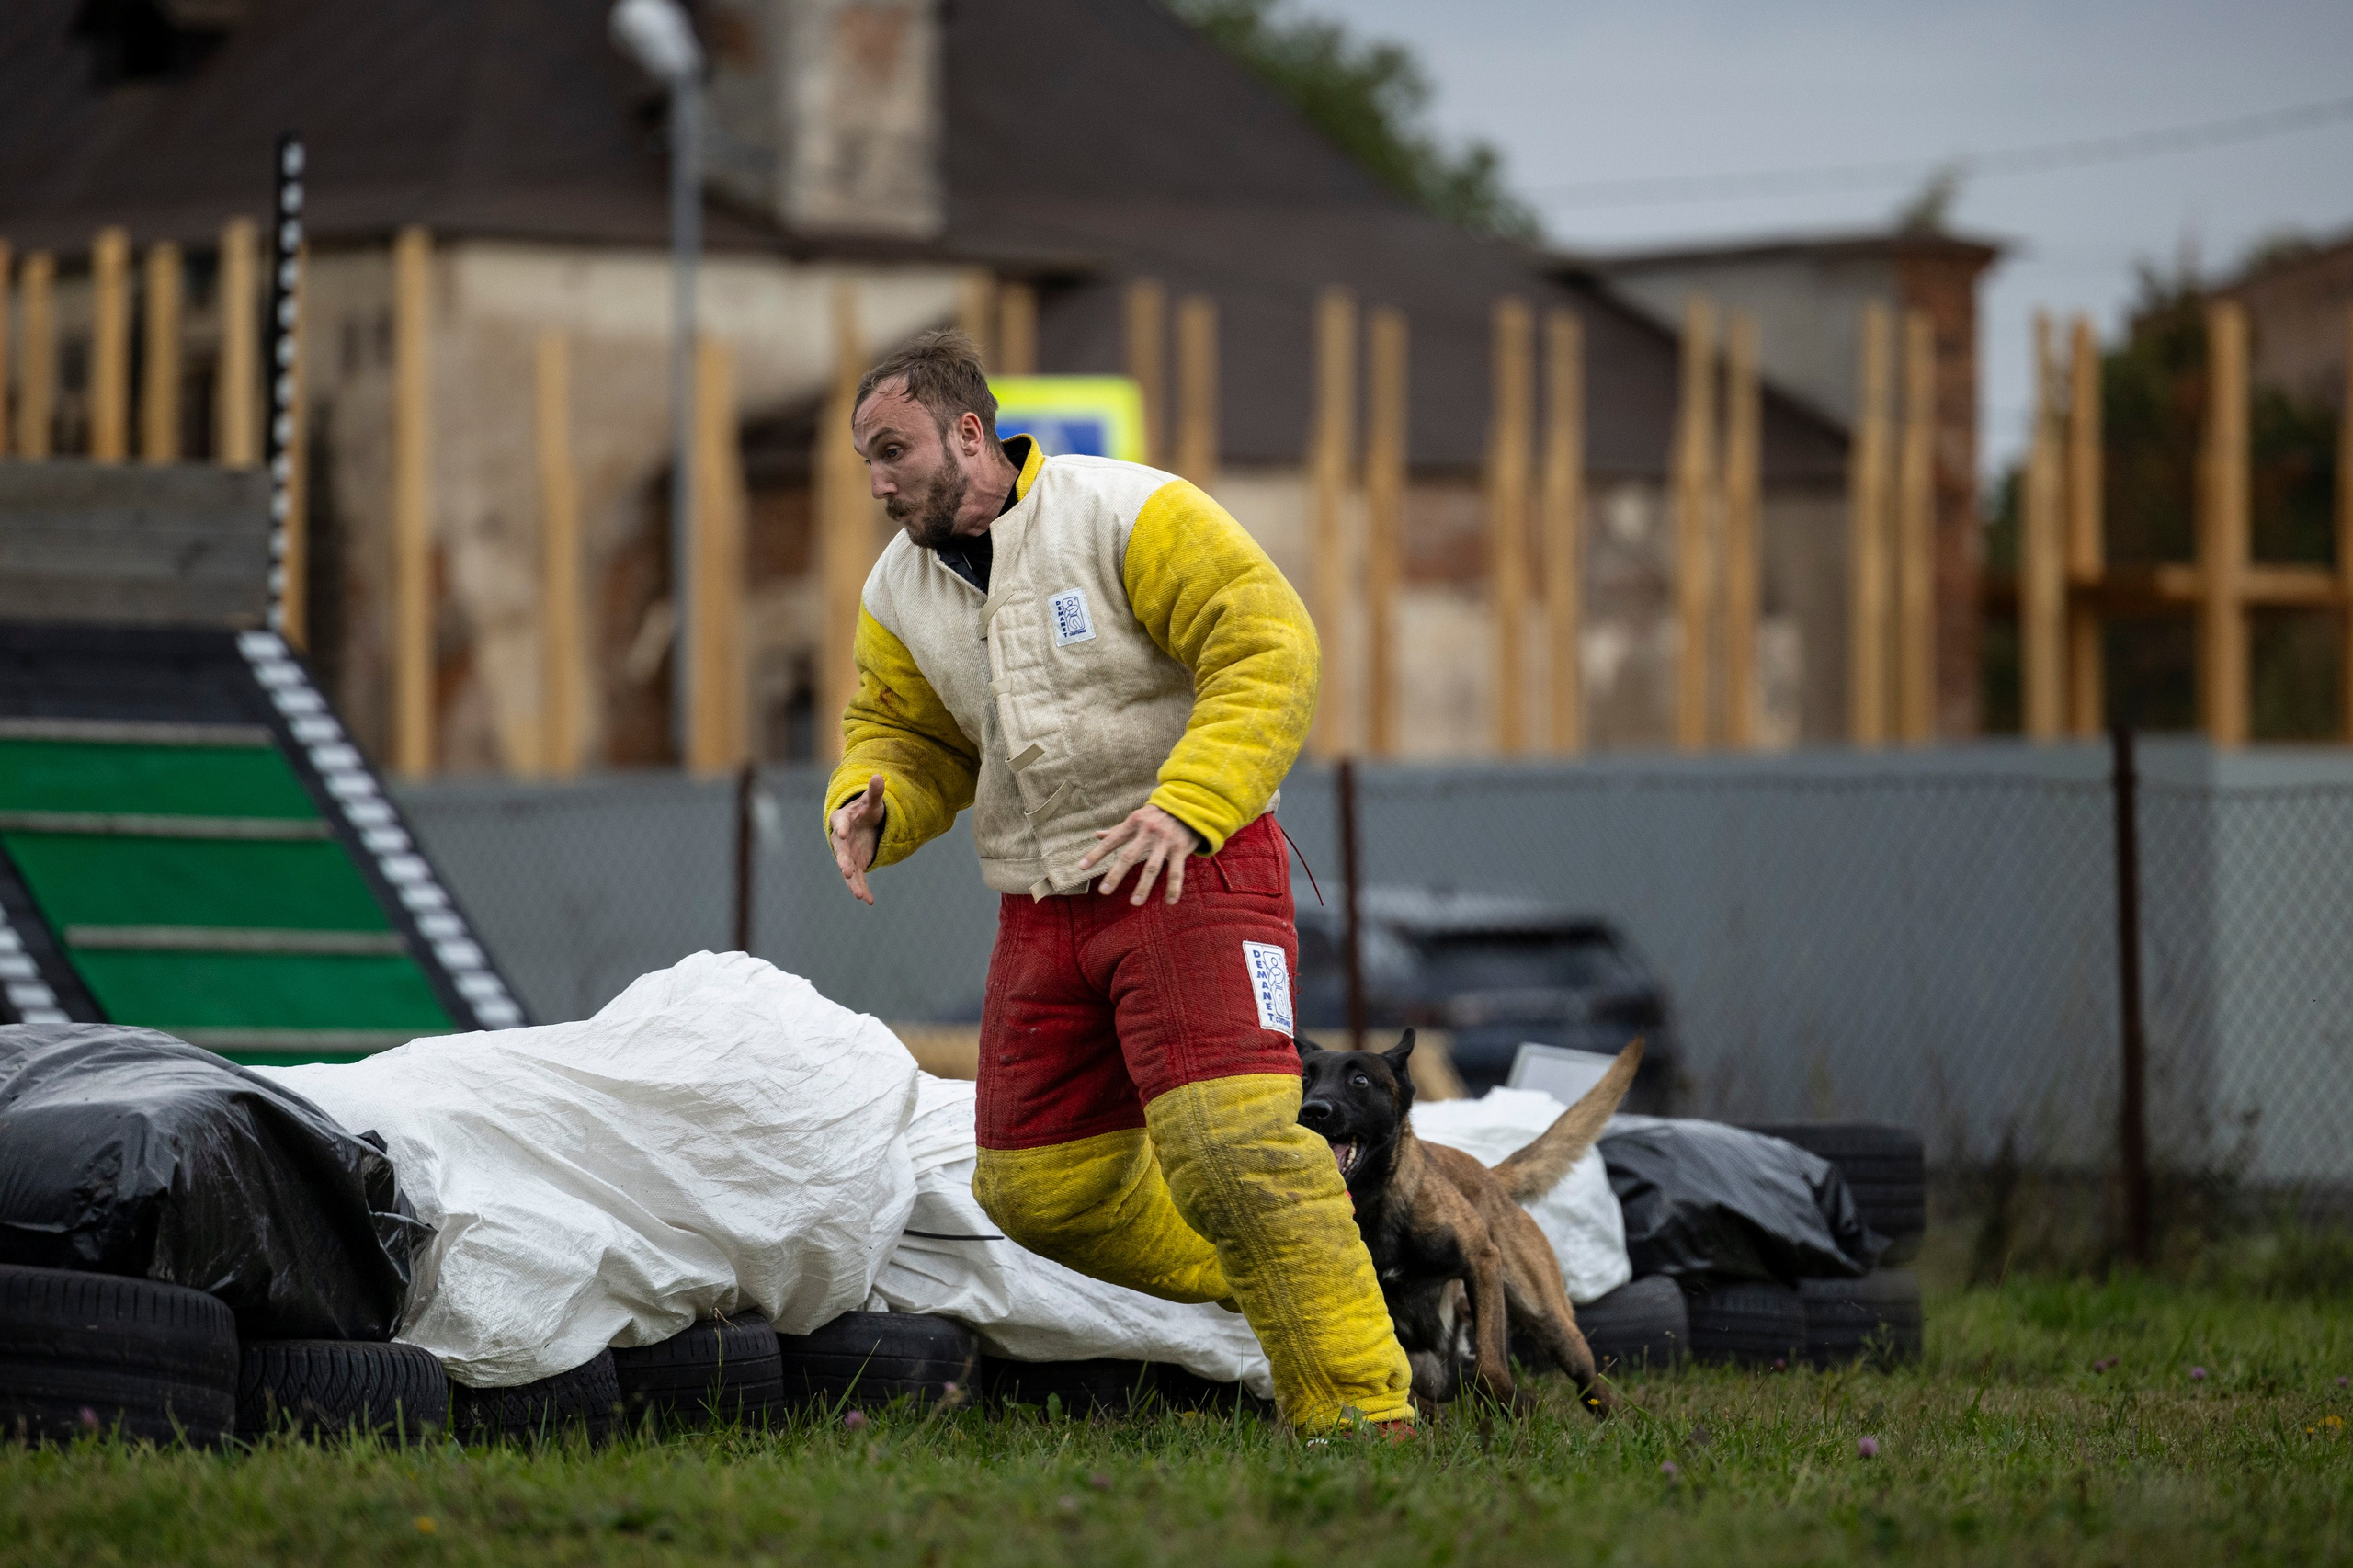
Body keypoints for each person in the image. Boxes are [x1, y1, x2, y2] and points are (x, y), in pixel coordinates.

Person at [823, 329, 1413, 1435]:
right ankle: (1302, 1260)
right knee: (1036, 1191)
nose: (876, 480)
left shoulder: (1127, 510)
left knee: (1234, 1152)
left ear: (967, 431)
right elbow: (904, 731)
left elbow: (1266, 644)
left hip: (1193, 867)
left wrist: (1188, 802)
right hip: (1043, 905)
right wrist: (874, 797)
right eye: (864, 458)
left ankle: (1364, 1417)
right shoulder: (895, 588)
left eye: (892, 449)